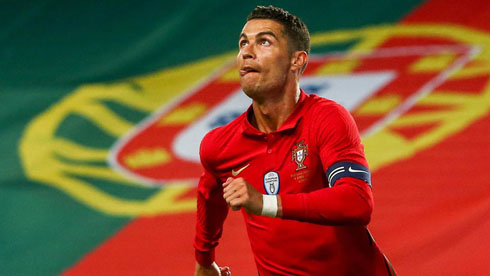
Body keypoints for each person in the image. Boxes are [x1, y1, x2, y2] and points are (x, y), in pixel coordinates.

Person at [194, 5, 396, 276]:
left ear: (297, 60)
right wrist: (205, 261)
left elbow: (357, 201)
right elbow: (209, 194)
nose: (246, 52)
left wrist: (265, 202)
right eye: (243, 43)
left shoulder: (326, 118)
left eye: (264, 42)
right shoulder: (219, 145)